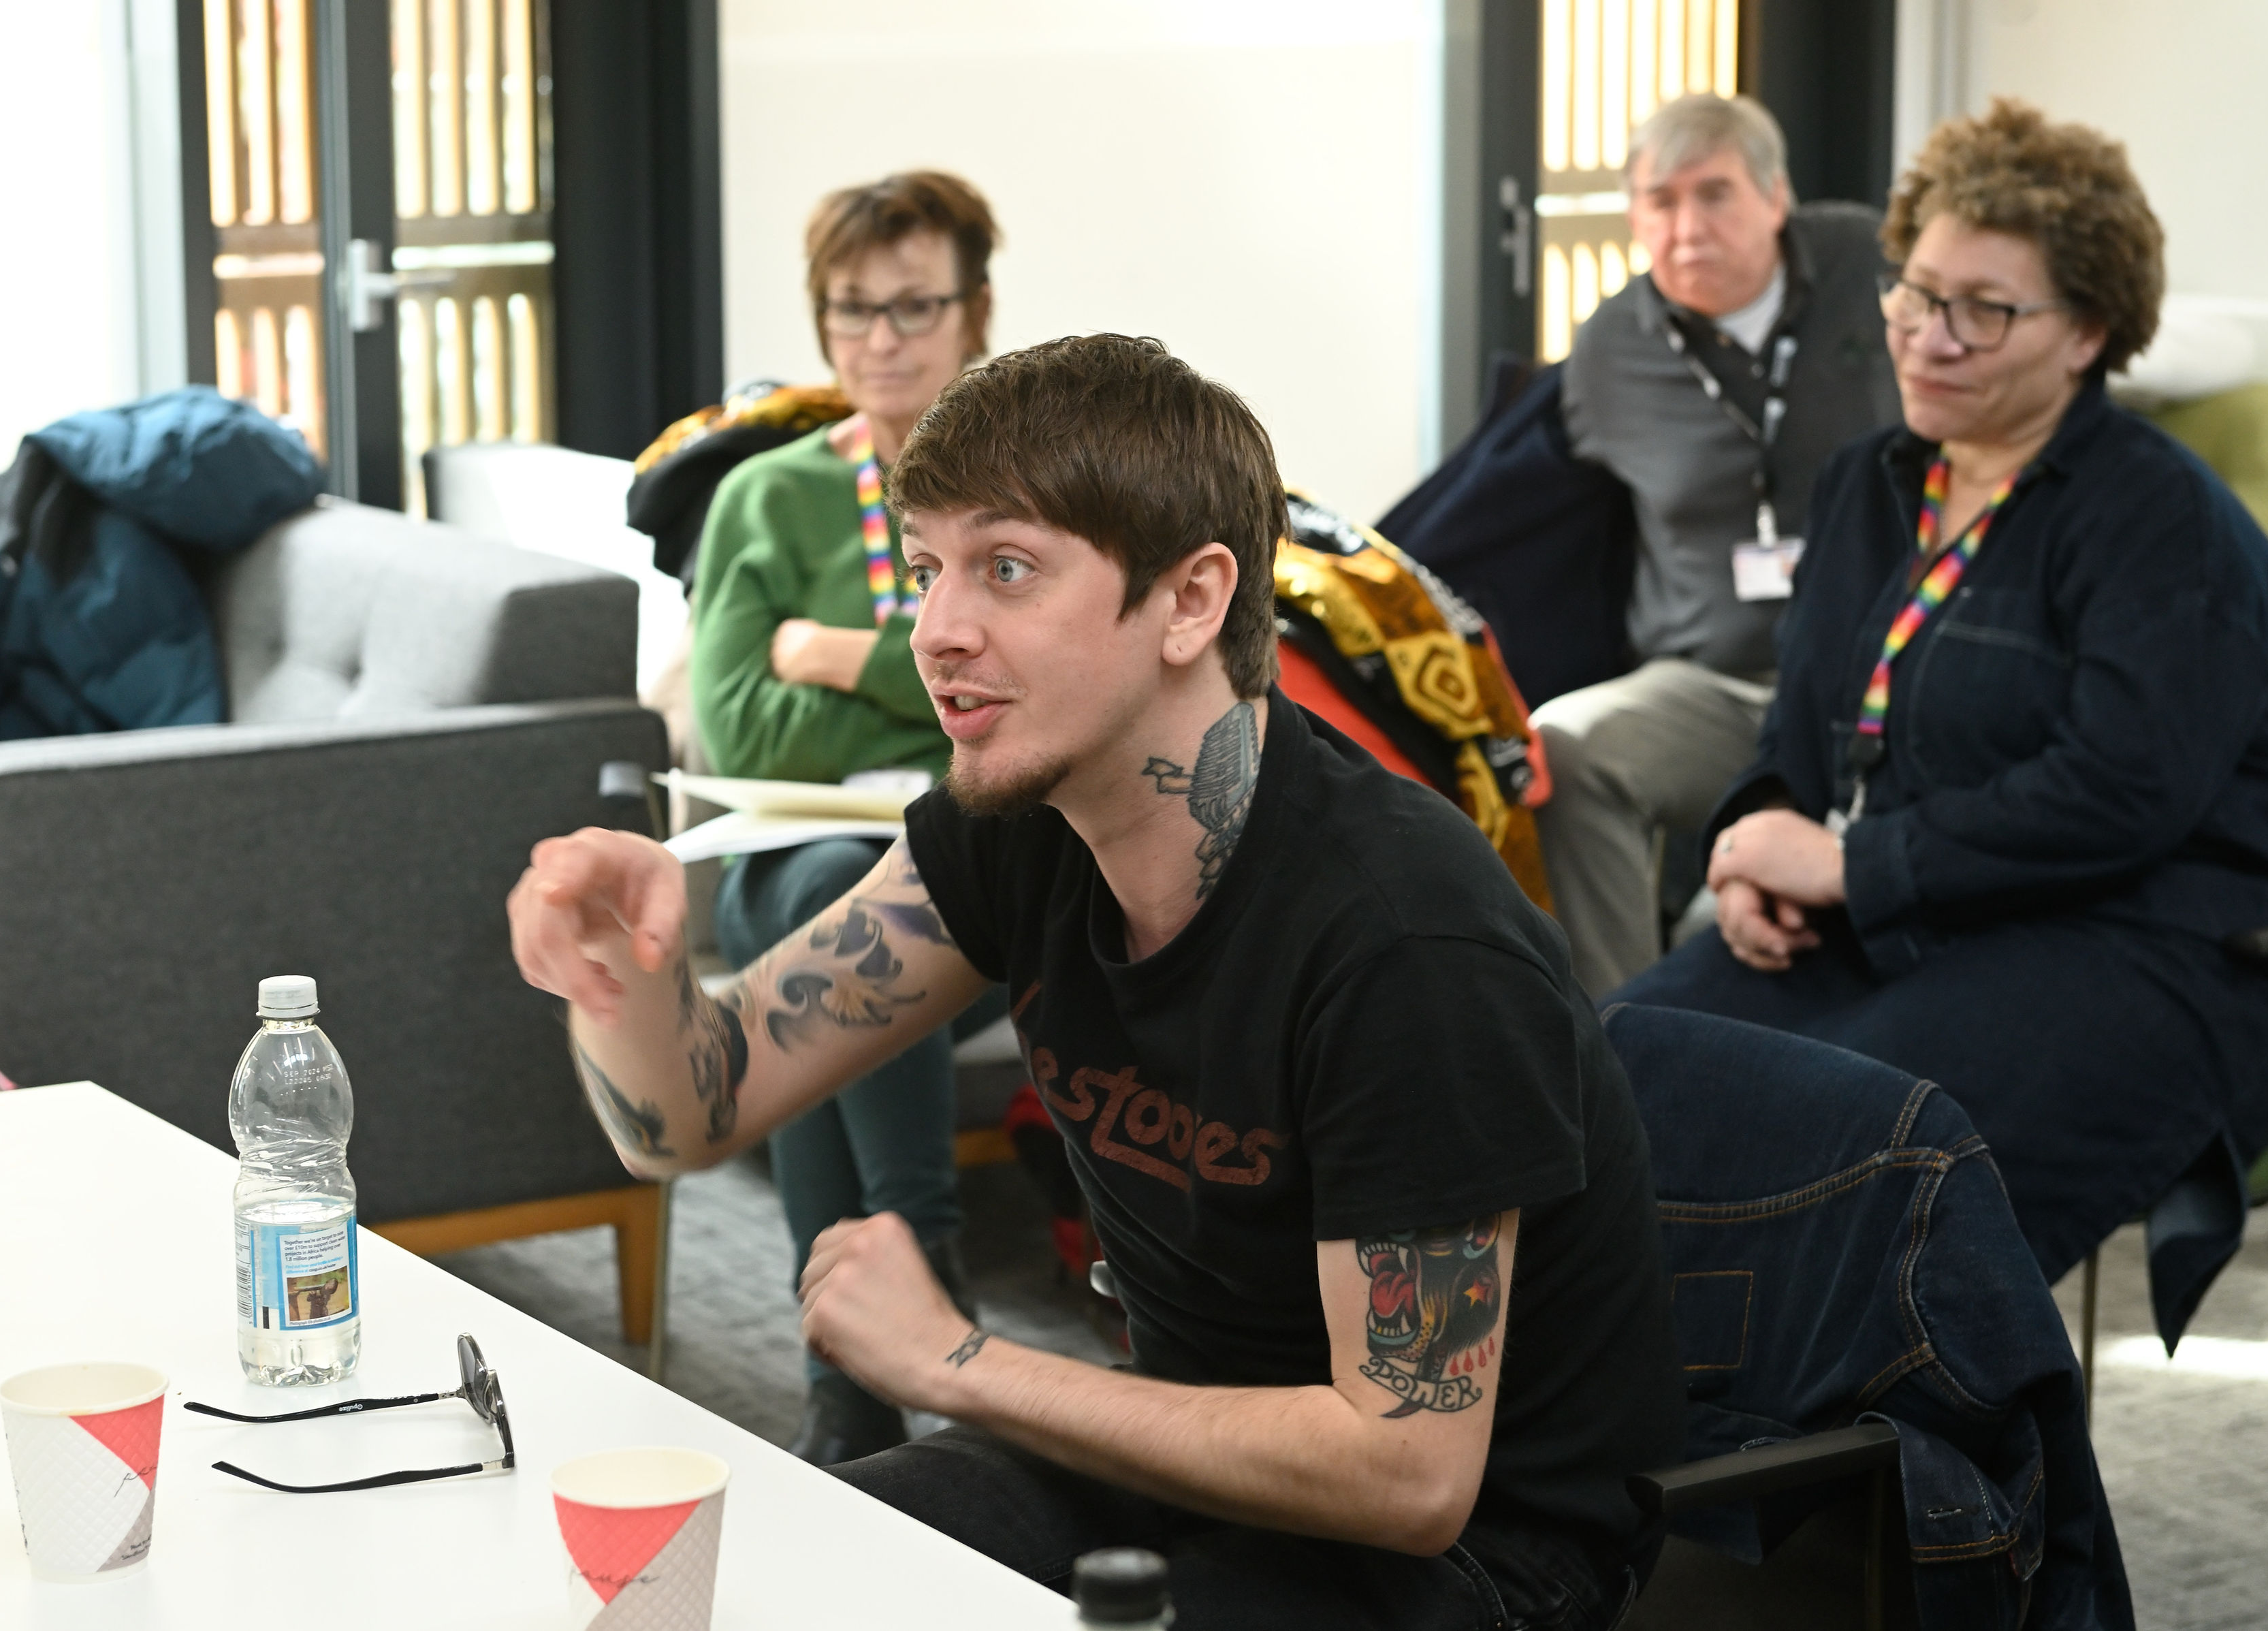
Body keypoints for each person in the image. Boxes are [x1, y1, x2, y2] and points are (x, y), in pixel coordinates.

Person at [511, 335, 1681, 1628]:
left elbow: (1410, 1474)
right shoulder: (1021, 823)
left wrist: (959, 1361)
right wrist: (622, 975)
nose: (935, 631)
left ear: (1190, 601)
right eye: (926, 570)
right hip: (1187, 1472)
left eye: (1005, 570)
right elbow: (689, 1112)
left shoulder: (1406, 945)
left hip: (1471, 1567)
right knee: (799, 1572)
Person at [1612, 101, 2268, 1331]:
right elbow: (1807, 720)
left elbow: (2123, 789)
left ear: (2088, 331)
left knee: (1847, 1137)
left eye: (1983, 311)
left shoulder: (2166, 521)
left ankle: (1877, 1500)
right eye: (1913, 292)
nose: (1926, 339)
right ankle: (1642, 1475)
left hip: (2147, 944)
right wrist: (1758, 841)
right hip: (1922, 914)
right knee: (1611, 1065)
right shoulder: (1871, 484)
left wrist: (1845, 863)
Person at [684, 170, 1002, 1463]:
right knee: (826, 891)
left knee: (839, 927)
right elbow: (743, 733)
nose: (882, 338)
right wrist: (919, 682)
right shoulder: (762, 499)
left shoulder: (1025, 488)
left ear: (975, 313)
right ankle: (925, 1270)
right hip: (781, 856)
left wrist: (834, 654)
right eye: (853, 309)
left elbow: (1028, 702)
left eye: (915, 305)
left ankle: (846, 1374)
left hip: (977, 867)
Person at [1530, 93, 1902, 997]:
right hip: (1709, 684)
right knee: (1564, 745)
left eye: (1715, 195)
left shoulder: (1872, 266)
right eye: (1660, 201)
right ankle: (1622, 1046)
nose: (1686, 227)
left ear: (1777, 199)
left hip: (1879, 675)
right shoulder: (1610, 346)